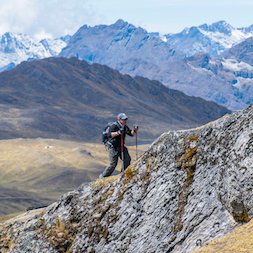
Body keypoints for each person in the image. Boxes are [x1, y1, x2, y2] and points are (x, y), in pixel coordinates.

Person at [100, 113, 138, 177]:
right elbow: (109, 135)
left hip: (121, 146)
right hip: (113, 147)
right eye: (124, 119)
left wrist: (134, 130)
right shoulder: (114, 126)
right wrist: (118, 132)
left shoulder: (124, 126)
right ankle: (103, 177)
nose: (125, 120)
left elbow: (130, 133)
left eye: (126, 119)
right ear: (119, 120)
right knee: (113, 164)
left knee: (127, 159)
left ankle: (122, 174)